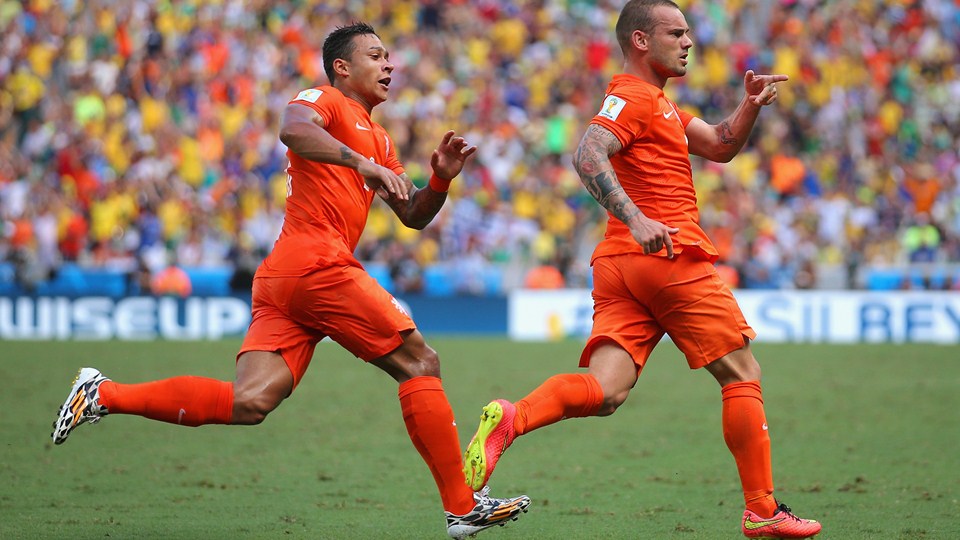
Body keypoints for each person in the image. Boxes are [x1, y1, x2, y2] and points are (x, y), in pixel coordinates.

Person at [52, 22, 528, 539]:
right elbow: (293, 129)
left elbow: (412, 214)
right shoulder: (323, 99)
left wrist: (440, 178)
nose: (389, 64)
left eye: (389, 56)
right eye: (376, 55)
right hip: (315, 263)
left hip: (286, 275)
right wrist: (360, 163)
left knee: (251, 400)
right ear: (343, 67)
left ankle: (102, 394)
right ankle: (461, 506)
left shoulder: (382, 138)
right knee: (420, 362)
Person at [461, 2, 821, 539]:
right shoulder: (632, 96)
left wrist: (749, 107)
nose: (688, 41)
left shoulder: (661, 105)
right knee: (742, 373)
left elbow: (721, 145)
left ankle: (513, 418)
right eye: (675, 32)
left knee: (607, 391)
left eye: (688, 32)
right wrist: (636, 216)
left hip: (620, 265)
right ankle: (763, 509)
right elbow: (588, 153)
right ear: (641, 41)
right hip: (667, 254)